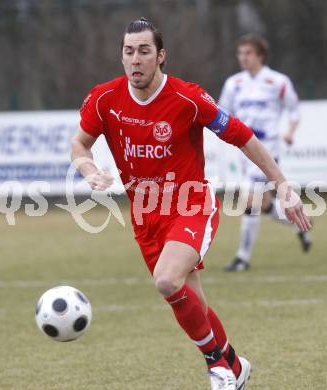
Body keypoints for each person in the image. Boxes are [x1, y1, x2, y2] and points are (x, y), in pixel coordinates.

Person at [71, 18, 311, 390]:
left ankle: (217, 367)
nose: (136, 59)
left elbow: (244, 137)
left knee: (167, 280)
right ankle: (234, 365)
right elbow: (79, 144)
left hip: (191, 204)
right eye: (129, 51)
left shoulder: (188, 97)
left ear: (161, 56)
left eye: (144, 51)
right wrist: (88, 169)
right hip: (145, 216)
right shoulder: (105, 98)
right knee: (191, 301)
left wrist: (282, 186)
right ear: (122, 56)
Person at [219, 34, 312, 272]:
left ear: (260, 55)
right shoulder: (233, 84)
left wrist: (290, 131)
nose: (243, 58)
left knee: (250, 201)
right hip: (243, 151)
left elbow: (293, 111)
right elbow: (221, 113)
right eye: (241, 53)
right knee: (266, 206)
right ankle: (300, 224)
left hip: (267, 150)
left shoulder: (278, 82)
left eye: (248, 53)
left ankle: (242, 258)